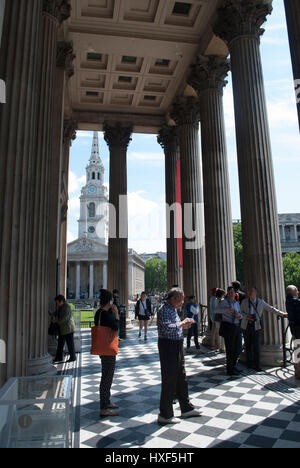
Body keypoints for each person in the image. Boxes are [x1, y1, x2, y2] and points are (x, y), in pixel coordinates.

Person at [157, 287, 201, 425]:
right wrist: (182, 323)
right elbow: (168, 327)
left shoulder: (172, 309)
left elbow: (174, 327)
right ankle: (165, 414)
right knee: (169, 378)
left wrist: (183, 326)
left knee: (181, 376)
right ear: (173, 298)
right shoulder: (164, 309)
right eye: (181, 300)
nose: (182, 303)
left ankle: (186, 407)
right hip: (168, 346)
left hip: (176, 344)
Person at [241, 287, 287, 372]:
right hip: (246, 325)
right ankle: (249, 362)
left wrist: (281, 313)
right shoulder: (244, 302)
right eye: (249, 291)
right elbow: (240, 312)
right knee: (248, 345)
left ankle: (257, 364)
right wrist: (246, 317)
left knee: (256, 345)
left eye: (252, 291)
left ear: (256, 293)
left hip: (256, 326)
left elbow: (271, 308)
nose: (250, 292)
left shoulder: (260, 302)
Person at [94, 289, 120, 418]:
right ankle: (103, 407)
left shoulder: (99, 313)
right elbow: (115, 326)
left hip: (103, 347)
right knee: (107, 377)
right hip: (108, 349)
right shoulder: (106, 314)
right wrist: (116, 314)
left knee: (107, 375)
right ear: (108, 301)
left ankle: (107, 401)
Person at [216, 286, 242, 376]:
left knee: (238, 348)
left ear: (235, 293)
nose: (231, 294)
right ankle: (230, 369)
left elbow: (241, 314)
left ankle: (234, 365)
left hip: (236, 326)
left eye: (232, 292)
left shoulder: (237, 303)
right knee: (230, 349)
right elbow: (216, 310)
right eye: (229, 292)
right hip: (228, 326)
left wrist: (239, 315)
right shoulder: (223, 302)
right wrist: (226, 310)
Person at [53, 295, 76, 364]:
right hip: (63, 328)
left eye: (57, 302)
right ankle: (59, 357)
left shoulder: (66, 307)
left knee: (70, 343)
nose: (57, 304)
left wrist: (56, 321)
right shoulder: (61, 307)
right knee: (60, 343)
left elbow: (65, 318)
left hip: (68, 328)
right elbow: (57, 313)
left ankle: (72, 357)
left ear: (61, 301)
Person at [286, 285, 300, 379]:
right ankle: (298, 373)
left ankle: (298, 372)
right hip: (298, 329)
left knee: (297, 350)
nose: (298, 292)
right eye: (296, 290)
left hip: (294, 329)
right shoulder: (294, 301)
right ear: (292, 291)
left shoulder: (289, 300)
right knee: (298, 351)